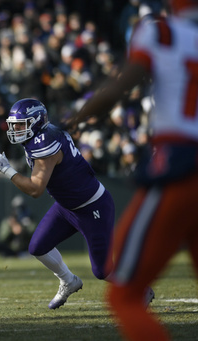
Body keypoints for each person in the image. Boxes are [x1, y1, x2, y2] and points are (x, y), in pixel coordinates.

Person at [67, 1, 198, 339]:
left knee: (125, 295)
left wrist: (79, 117)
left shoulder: (161, 31)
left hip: (182, 168)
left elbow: (116, 90)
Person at [0, 98, 117, 309]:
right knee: (38, 246)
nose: (16, 129)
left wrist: (7, 170)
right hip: (67, 206)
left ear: (36, 122)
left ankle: (139, 288)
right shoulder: (43, 135)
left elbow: (35, 189)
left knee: (103, 271)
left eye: (21, 124)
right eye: (14, 125)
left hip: (93, 206)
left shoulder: (45, 143)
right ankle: (68, 280)